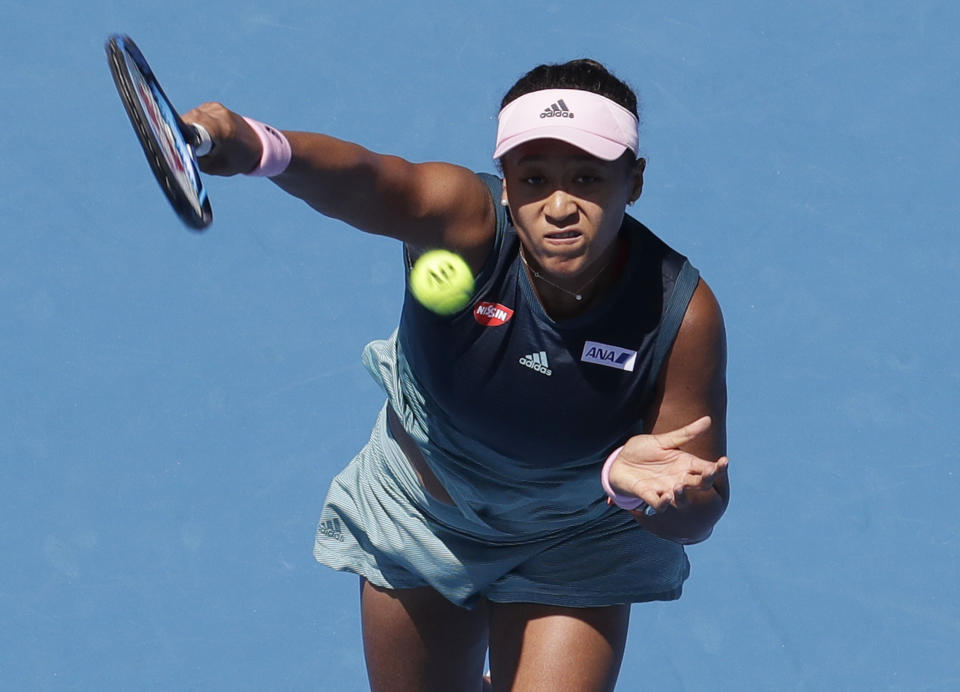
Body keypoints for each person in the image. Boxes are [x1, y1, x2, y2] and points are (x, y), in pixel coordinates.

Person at [185, 58, 729, 692]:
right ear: (502, 184)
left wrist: (639, 489)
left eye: (587, 178)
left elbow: (698, 514)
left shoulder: (679, 313)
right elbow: (371, 179)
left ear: (632, 181)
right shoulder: (460, 221)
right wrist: (259, 146)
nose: (558, 206)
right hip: (424, 517)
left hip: (579, 537)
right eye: (533, 178)